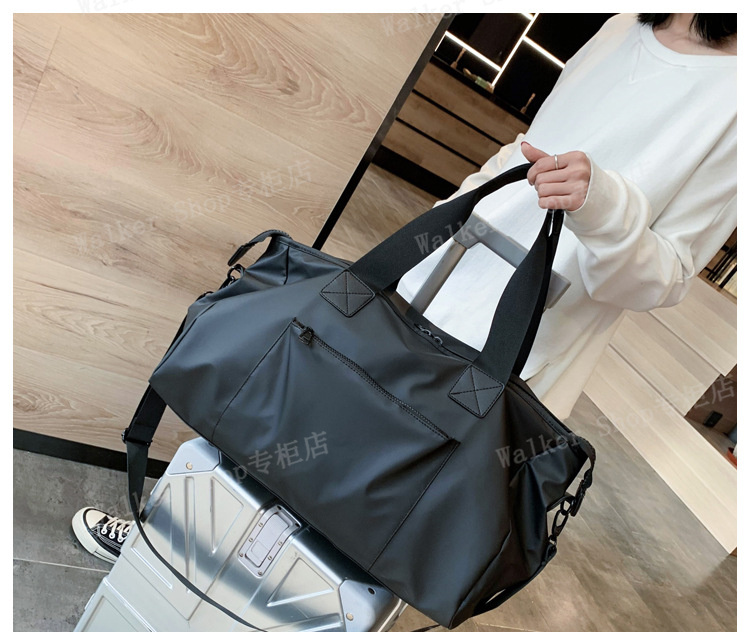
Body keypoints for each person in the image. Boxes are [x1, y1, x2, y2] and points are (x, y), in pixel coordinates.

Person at [72, 12, 737, 562]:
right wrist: (432, 232)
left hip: (521, 337)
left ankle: (273, 624)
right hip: (433, 273)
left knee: (381, 496)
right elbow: (523, 152)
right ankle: (161, 544)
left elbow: (666, 277)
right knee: (288, 410)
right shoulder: (623, 24)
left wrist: (603, 207)